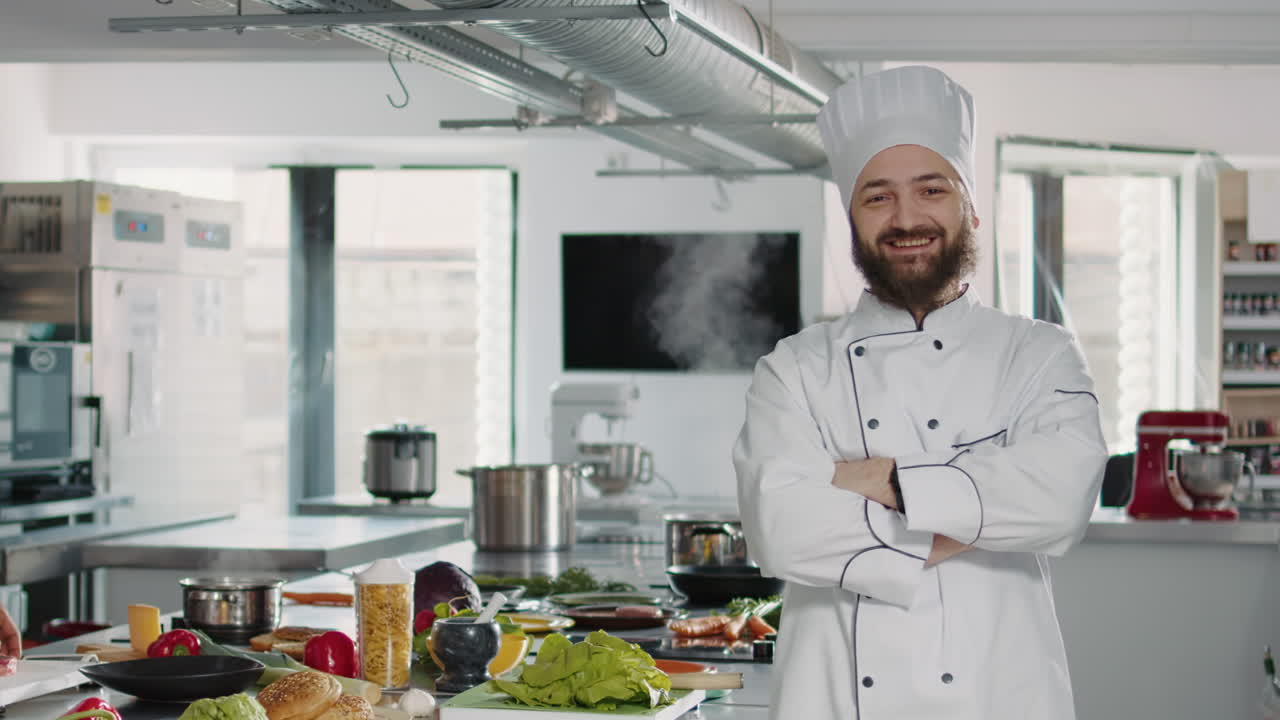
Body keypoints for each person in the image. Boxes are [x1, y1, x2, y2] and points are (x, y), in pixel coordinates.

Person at [733, 65, 1108, 720]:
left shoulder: (1038, 353)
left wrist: (875, 481)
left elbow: (1060, 499)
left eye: (931, 189)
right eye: (878, 197)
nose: (906, 218)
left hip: (999, 695)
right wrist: (977, 502)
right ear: (852, 219)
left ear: (971, 206)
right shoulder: (792, 369)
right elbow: (782, 531)